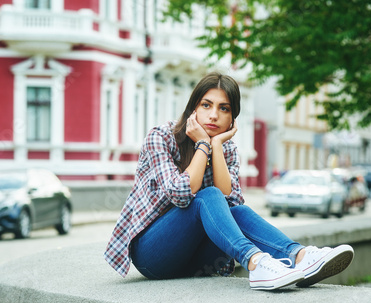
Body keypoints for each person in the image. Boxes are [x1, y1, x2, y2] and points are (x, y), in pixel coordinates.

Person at [104, 72, 354, 290]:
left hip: (194, 258)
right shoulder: (161, 137)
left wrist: (215, 146)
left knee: (231, 207)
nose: (214, 115)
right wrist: (203, 144)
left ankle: (299, 256)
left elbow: (232, 203)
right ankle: (256, 262)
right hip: (153, 255)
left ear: (232, 118)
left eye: (224, 109)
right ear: (193, 108)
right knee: (208, 196)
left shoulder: (226, 148)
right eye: (206, 105)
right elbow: (181, 194)